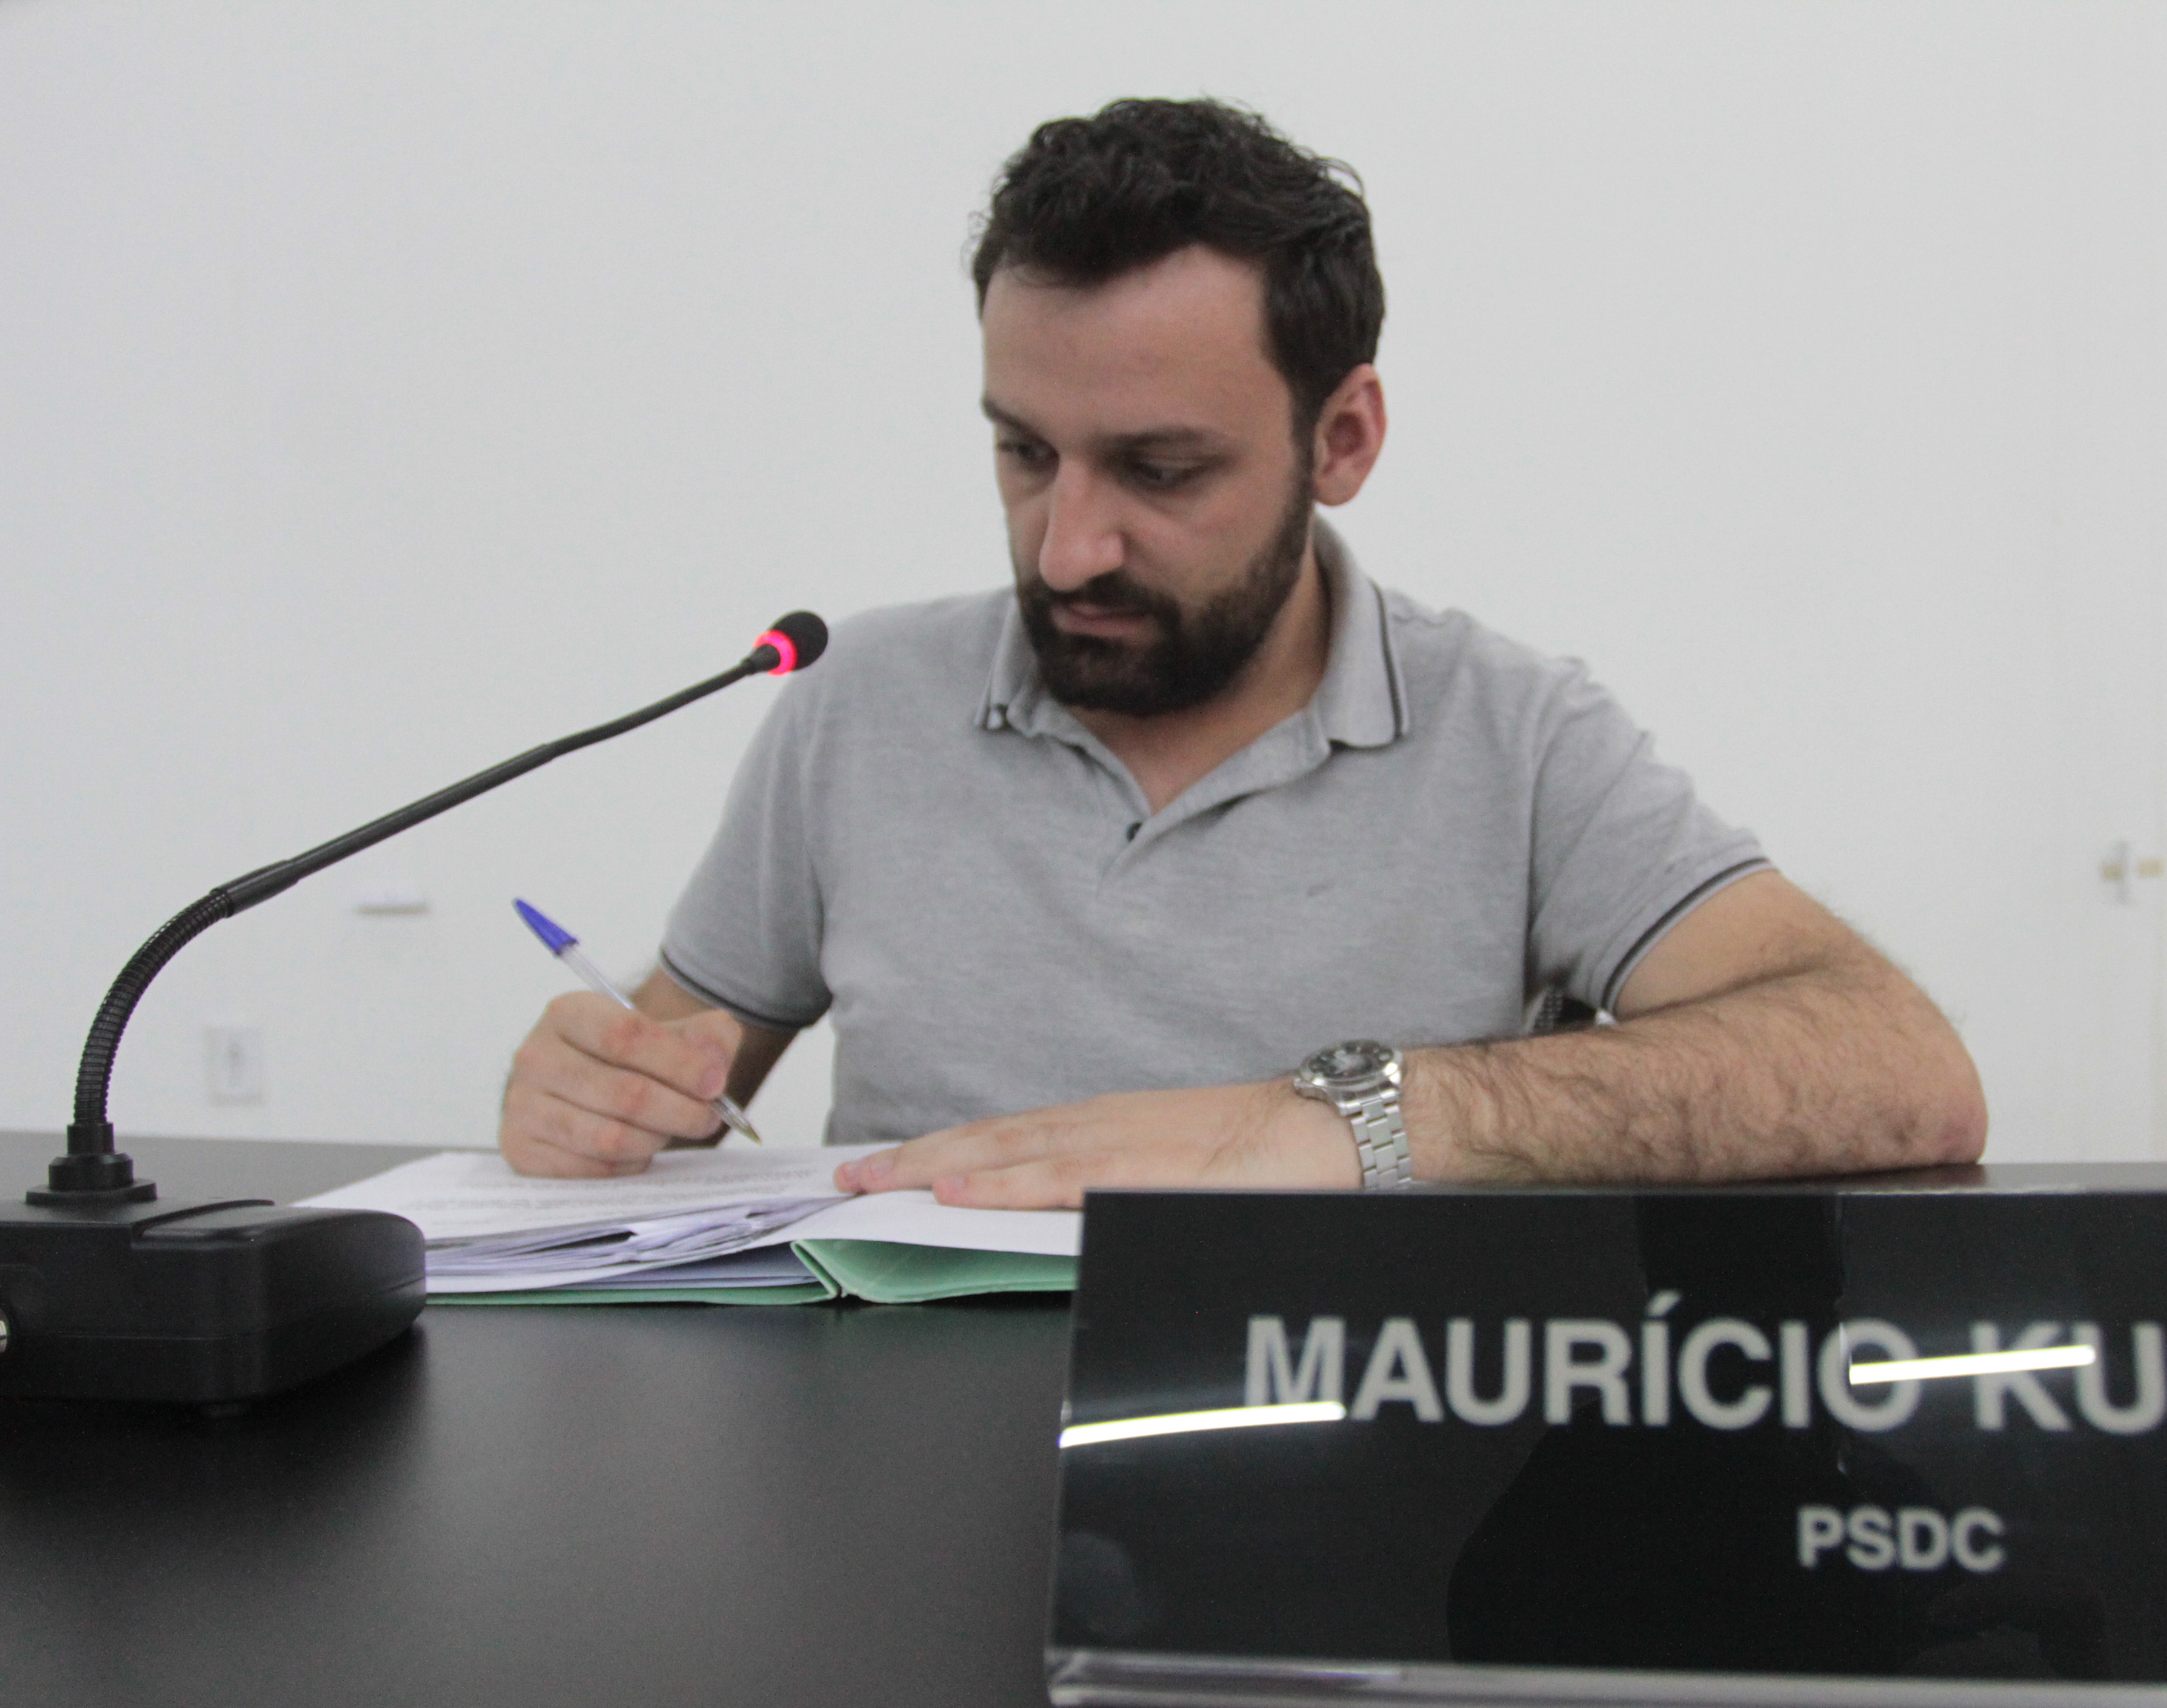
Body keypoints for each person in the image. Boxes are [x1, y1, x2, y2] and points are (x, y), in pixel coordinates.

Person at [498, 98, 1986, 1205]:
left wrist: (1332, 1120)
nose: (1067, 548)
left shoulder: (1515, 736)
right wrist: (593, 1096)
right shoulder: (856, 707)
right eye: (1026, 453)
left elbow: (1896, 1070)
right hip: (890, 1447)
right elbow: (670, 1081)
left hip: (1344, 1457)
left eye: (1160, 472)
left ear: (1342, 440)